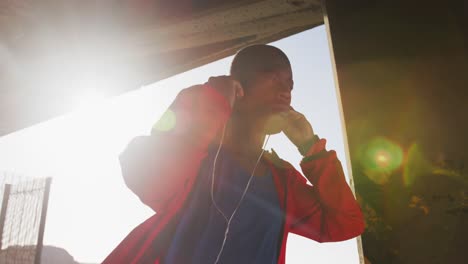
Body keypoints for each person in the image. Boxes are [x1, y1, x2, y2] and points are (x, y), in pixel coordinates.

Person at [103, 44, 364, 264]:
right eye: (273, 77)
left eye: (289, 83)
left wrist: (312, 150)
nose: (285, 90)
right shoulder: (199, 154)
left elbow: (345, 224)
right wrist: (212, 99)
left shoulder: (281, 180)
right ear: (238, 85)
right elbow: (146, 177)